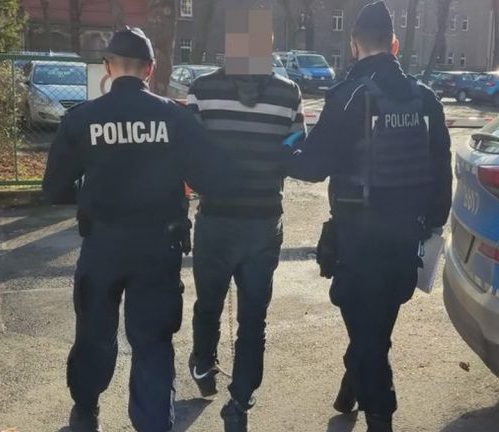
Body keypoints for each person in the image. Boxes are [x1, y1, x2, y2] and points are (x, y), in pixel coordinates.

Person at [42, 28, 228, 432]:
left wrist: (90, 192)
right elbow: (211, 178)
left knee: (94, 333)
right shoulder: (175, 117)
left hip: (102, 245)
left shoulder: (82, 119)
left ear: (108, 67)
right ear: (150, 68)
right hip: (158, 248)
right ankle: (153, 424)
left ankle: (85, 411)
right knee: (153, 341)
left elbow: (53, 189)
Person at [286, 2, 452, 431]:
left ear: (353, 45)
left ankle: (381, 413)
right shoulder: (426, 99)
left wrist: (281, 152)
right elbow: (441, 168)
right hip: (407, 235)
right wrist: (434, 223)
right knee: (376, 325)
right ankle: (351, 388)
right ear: (394, 45)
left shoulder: (348, 96)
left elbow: (312, 166)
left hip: (358, 237)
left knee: (366, 329)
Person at [184, 7, 306, 432]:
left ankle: (203, 364)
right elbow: (296, 147)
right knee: (254, 317)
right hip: (263, 221)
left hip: (216, 219)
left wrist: (210, 182)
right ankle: (240, 399)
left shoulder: (201, 89)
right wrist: (270, 161)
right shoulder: (289, 94)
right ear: (268, 46)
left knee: (208, 303)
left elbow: (189, 153)